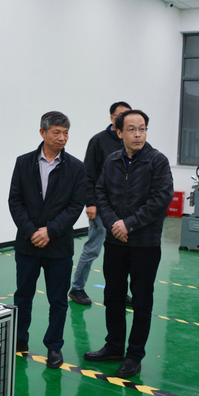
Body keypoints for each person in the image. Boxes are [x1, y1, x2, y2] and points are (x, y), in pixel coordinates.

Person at [83, 109, 174, 378]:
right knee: (113, 295)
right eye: (132, 129)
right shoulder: (111, 160)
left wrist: (129, 224)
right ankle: (114, 346)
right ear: (119, 132)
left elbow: (160, 199)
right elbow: (101, 193)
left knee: (142, 300)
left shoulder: (157, 161)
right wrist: (115, 224)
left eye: (142, 129)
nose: (138, 134)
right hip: (115, 241)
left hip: (145, 243)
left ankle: (135, 355)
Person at [8, 111, 86, 369]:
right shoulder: (24, 163)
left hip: (59, 246)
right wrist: (32, 231)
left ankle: (54, 346)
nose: (62, 138)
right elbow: (15, 201)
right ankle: (19, 340)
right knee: (23, 296)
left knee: (58, 300)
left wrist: (49, 231)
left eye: (66, 133)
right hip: (27, 244)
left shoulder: (76, 167)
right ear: (42, 132)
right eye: (57, 132)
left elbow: (75, 206)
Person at [69, 101, 132, 306]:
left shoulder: (130, 141)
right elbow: (88, 174)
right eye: (120, 115)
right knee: (93, 248)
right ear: (112, 117)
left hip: (125, 209)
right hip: (102, 206)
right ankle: (77, 288)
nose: (124, 118)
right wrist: (91, 203)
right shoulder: (98, 141)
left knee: (122, 253)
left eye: (127, 114)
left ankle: (119, 290)